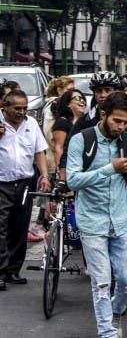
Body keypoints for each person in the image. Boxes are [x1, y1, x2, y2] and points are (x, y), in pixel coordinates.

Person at [66, 92, 127, 338]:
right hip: (92, 219)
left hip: (122, 217)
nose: (121, 127)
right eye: (117, 121)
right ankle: (106, 330)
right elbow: (73, 180)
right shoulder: (81, 140)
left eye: (126, 122)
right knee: (101, 282)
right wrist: (111, 169)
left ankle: (116, 310)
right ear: (104, 114)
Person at [0, 90, 50, 290]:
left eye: (24, 108)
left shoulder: (31, 124)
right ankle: (1, 271)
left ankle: (13, 270)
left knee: (19, 227)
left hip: (24, 183)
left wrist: (44, 175)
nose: (22, 112)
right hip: (2, 183)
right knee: (0, 228)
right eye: (17, 108)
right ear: (5, 108)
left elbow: (39, 152)